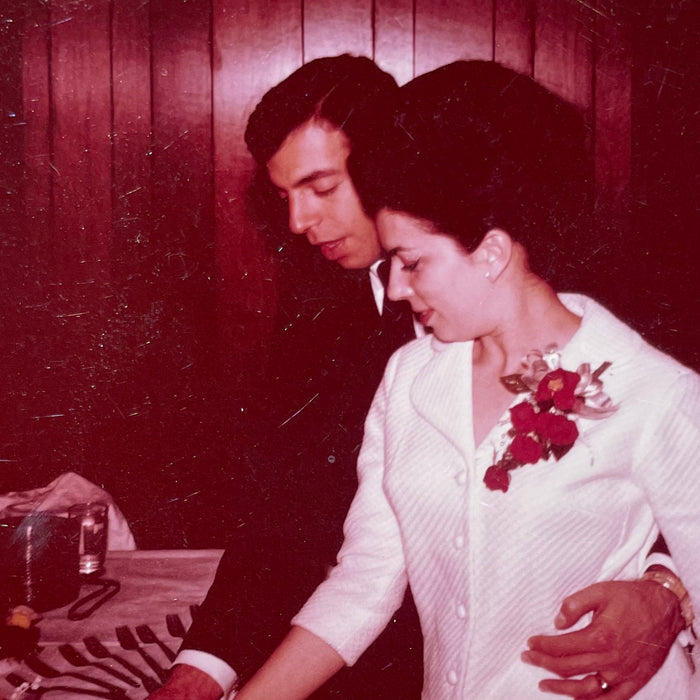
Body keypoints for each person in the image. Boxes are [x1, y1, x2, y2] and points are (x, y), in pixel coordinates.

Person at [148, 57, 691, 700]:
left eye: (322, 187)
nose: (296, 222)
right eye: (284, 196)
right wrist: (208, 677)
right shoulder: (383, 355)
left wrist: (665, 589)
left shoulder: (616, 326)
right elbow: (316, 540)